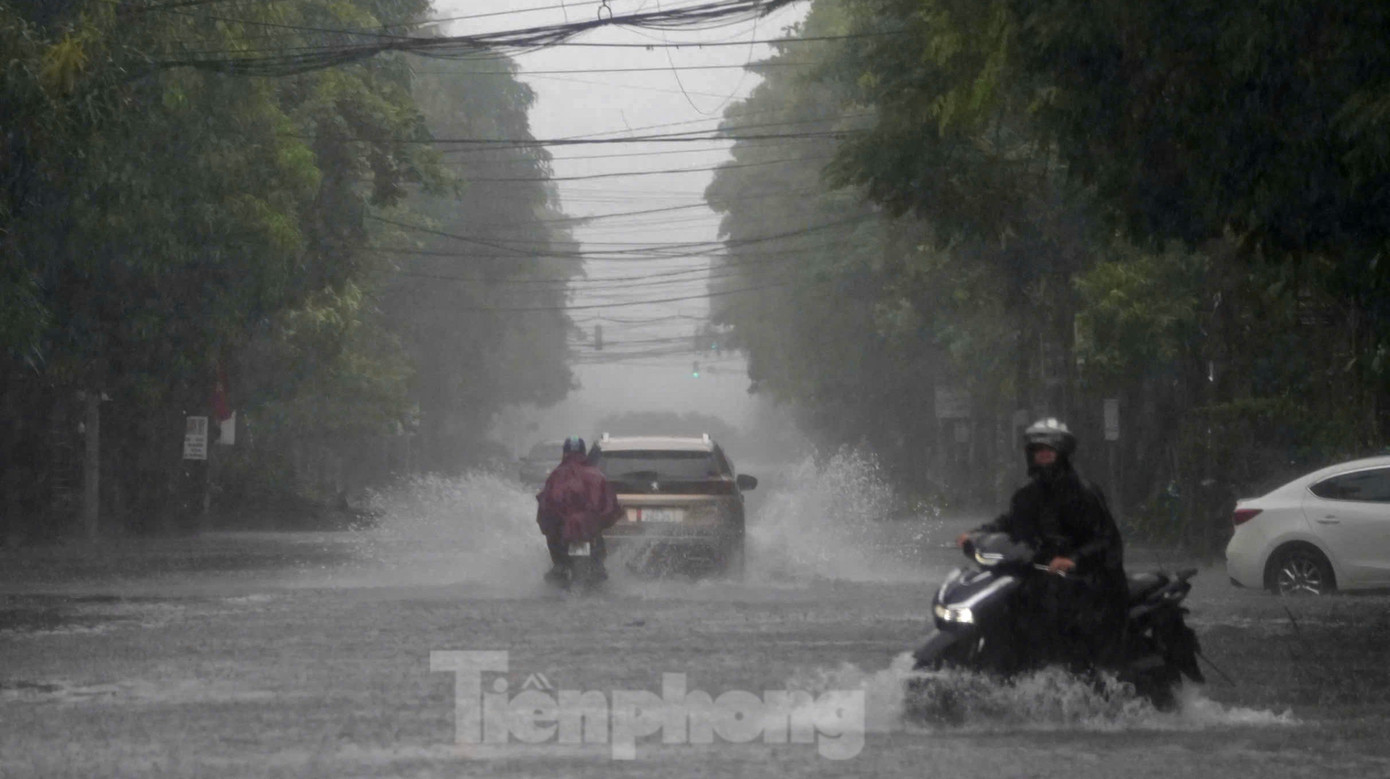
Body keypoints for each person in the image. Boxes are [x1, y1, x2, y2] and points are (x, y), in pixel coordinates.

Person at [956, 418, 1128, 671]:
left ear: (1063, 452)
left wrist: (1074, 560)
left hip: (1089, 581)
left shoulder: (1084, 492)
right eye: (1038, 450)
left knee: (1074, 631)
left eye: (1050, 449)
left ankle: (1090, 682)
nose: (1044, 454)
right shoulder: (1028, 493)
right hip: (1043, 575)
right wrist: (977, 533)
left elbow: (1107, 540)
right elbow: (1011, 522)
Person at [535, 436, 623, 586]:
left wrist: (550, 526)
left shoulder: (556, 475)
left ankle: (560, 567)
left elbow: (546, 507)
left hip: (563, 533)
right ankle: (596, 568)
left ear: (565, 452)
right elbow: (610, 507)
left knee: (558, 559)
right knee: (599, 566)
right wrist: (601, 522)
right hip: (590, 531)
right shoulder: (597, 475)